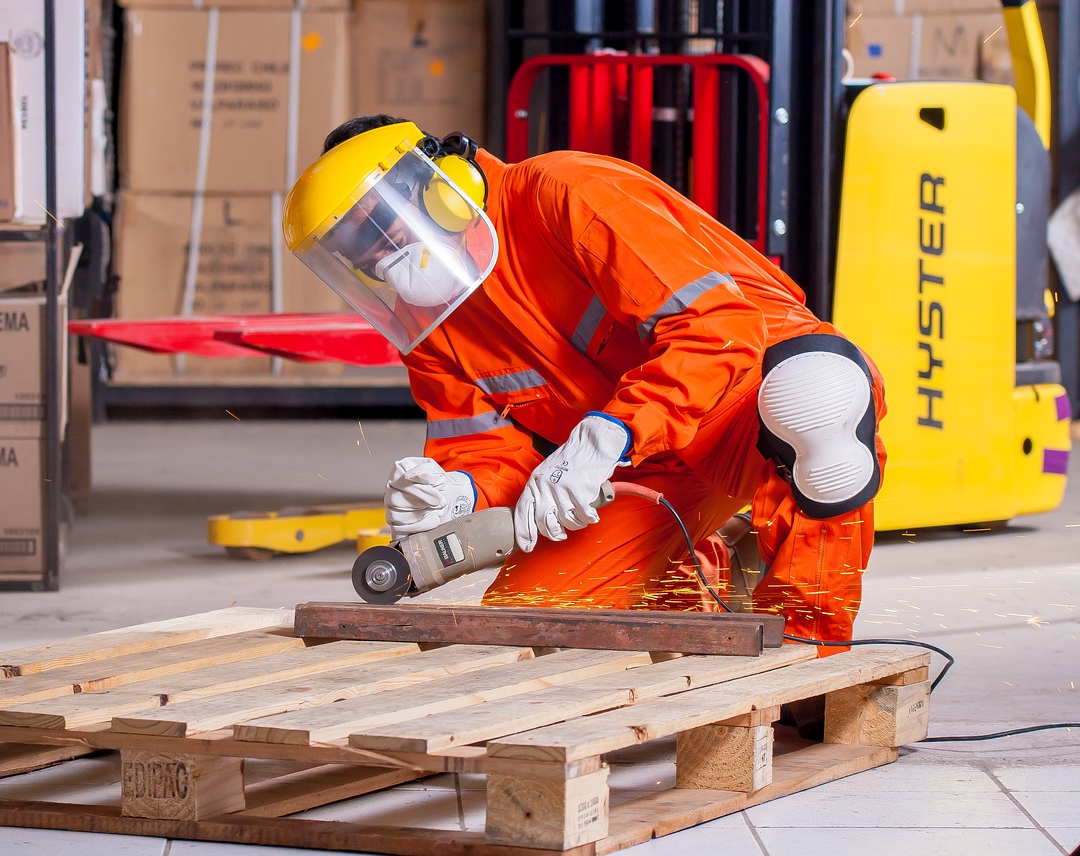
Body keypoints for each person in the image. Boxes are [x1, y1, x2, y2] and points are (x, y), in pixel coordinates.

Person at [283, 115, 886, 648]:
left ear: (444, 189)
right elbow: (489, 449)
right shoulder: (429, 323)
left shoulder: (564, 192)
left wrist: (609, 433)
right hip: (634, 466)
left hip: (745, 395)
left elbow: (718, 329)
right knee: (529, 626)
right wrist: (458, 493)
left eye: (380, 223)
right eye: (353, 244)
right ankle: (696, 585)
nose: (376, 250)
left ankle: (811, 654)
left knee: (816, 398)